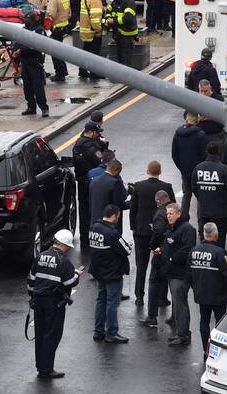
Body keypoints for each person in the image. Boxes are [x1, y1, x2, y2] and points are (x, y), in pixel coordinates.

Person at [26, 229, 80, 379]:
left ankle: (40, 365)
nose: (68, 249)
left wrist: (32, 297)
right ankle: (46, 369)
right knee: (52, 335)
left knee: (41, 334)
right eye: (68, 246)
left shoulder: (40, 256)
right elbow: (71, 282)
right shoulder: (64, 261)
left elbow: (31, 280)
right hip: (54, 303)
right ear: (63, 244)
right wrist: (76, 274)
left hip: (38, 301)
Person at [130, 161, 176, 308]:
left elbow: (133, 209)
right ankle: (162, 298)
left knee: (141, 265)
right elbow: (172, 208)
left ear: (147, 171)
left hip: (141, 231)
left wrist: (134, 227)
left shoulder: (138, 186)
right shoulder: (167, 187)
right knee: (161, 264)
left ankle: (139, 296)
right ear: (160, 171)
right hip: (161, 232)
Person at [89, 205, 131, 344]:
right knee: (112, 303)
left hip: (99, 271)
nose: (118, 220)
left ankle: (98, 331)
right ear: (113, 216)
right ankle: (112, 333)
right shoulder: (111, 233)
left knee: (100, 300)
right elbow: (126, 249)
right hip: (112, 273)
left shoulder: (94, 227)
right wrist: (129, 246)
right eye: (118, 217)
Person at [159, 203, 197, 346]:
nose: (168, 216)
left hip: (180, 274)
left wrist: (171, 258)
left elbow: (187, 249)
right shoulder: (172, 228)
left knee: (180, 305)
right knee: (178, 304)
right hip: (172, 272)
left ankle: (183, 335)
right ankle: (181, 332)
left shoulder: (187, 229)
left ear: (179, 214)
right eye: (167, 214)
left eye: (171, 213)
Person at [189, 222, 227, 352]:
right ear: (215, 234)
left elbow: (189, 273)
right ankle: (217, 350)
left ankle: (205, 350)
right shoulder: (220, 252)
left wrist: (195, 287)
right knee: (220, 323)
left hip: (201, 293)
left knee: (204, 320)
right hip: (218, 295)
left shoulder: (193, 251)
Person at [72, 120, 107, 239]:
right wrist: (104, 146)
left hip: (81, 182)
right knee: (95, 209)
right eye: (96, 132)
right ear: (91, 132)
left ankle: (84, 238)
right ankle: (95, 236)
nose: (97, 135)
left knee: (83, 210)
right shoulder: (92, 147)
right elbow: (101, 161)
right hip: (92, 182)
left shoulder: (78, 143)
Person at [171, 111, 207, 220]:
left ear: (186, 120)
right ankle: (200, 219)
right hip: (198, 171)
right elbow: (203, 154)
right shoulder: (201, 135)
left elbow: (174, 154)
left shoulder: (178, 133)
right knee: (200, 196)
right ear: (197, 120)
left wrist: (181, 167)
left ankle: (184, 217)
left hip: (185, 171)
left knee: (187, 195)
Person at [192, 141, 227, 241]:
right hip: (220, 212)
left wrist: (203, 197)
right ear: (219, 152)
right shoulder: (224, 169)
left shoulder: (198, 168)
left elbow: (194, 188)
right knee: (220, 238)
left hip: (204, 210)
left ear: (206, 152)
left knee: (204, 238)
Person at [16, 13, 49, 117]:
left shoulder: (39, 30)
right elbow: (17, 42)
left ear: (32, 20)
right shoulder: (24, 29)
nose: (25, 21)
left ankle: (44, 108)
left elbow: (37, 45)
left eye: (27, 19)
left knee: (38, 86)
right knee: (27, 87)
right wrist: (16, 48)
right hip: (25, 62)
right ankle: (31, 107)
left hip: (35, 61)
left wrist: (21, 49)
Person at [89, 156, 129, 229]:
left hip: (94, 223)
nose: (118, 174)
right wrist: (132, 203)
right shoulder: (115, 183)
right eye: (119, 172)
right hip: (109, 225)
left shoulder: (94, 181)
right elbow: (119, 204)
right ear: (116, 170)